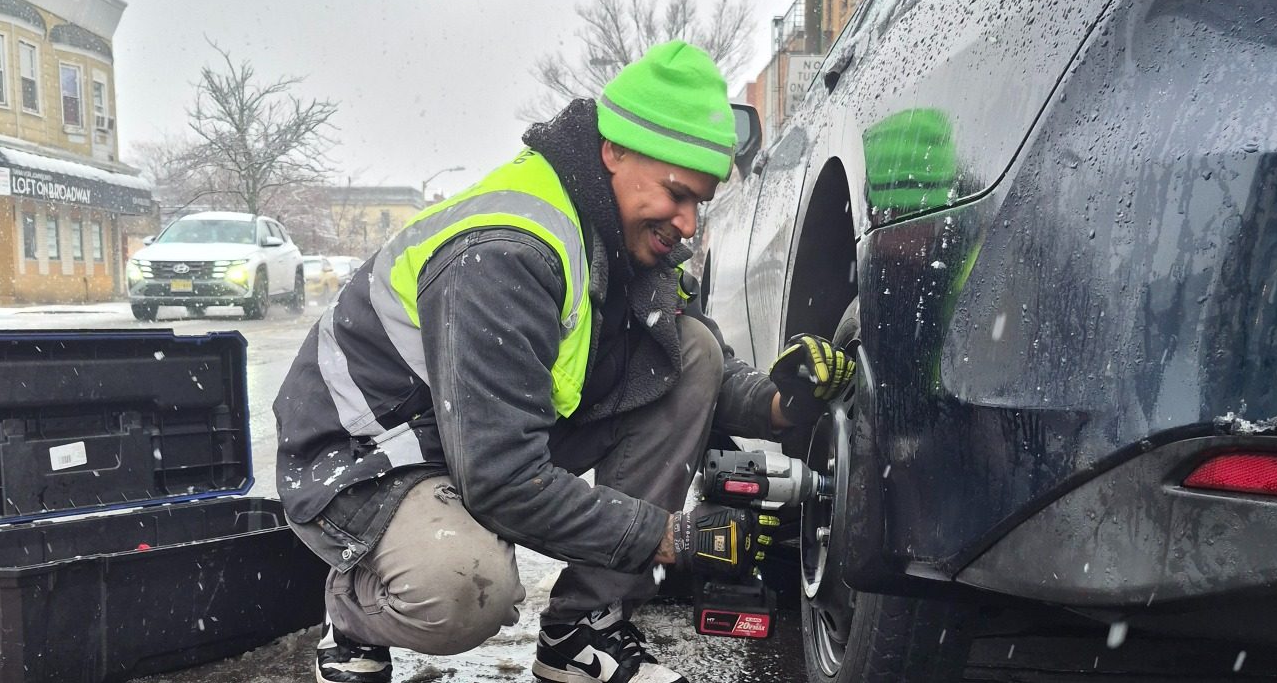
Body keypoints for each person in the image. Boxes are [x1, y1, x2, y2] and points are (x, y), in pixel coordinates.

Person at [273, 40, 855, 683]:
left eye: (700, 202)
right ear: (614, 152)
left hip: (475, 432)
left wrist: (783, 401)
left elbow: (691, 359)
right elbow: (501, 479)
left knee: (691, 350)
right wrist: (672, 538)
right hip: (370, 459)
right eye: (676, 193)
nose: (689, 223)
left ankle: (581, 630)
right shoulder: (506, 251)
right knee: (465, 589)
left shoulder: (624, 232)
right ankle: (353, 615)